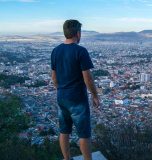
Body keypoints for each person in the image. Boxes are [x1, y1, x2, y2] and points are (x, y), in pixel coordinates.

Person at [51, 19, 100, 160]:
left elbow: (54, 78)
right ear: (78, 33)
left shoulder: (55, 51)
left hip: (62, 96)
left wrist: (61, 90)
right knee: (84, 134)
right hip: (77, 98)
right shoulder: (81, 51)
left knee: (64, 130)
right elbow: (88, 78)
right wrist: (95, 95)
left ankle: (67, 158)